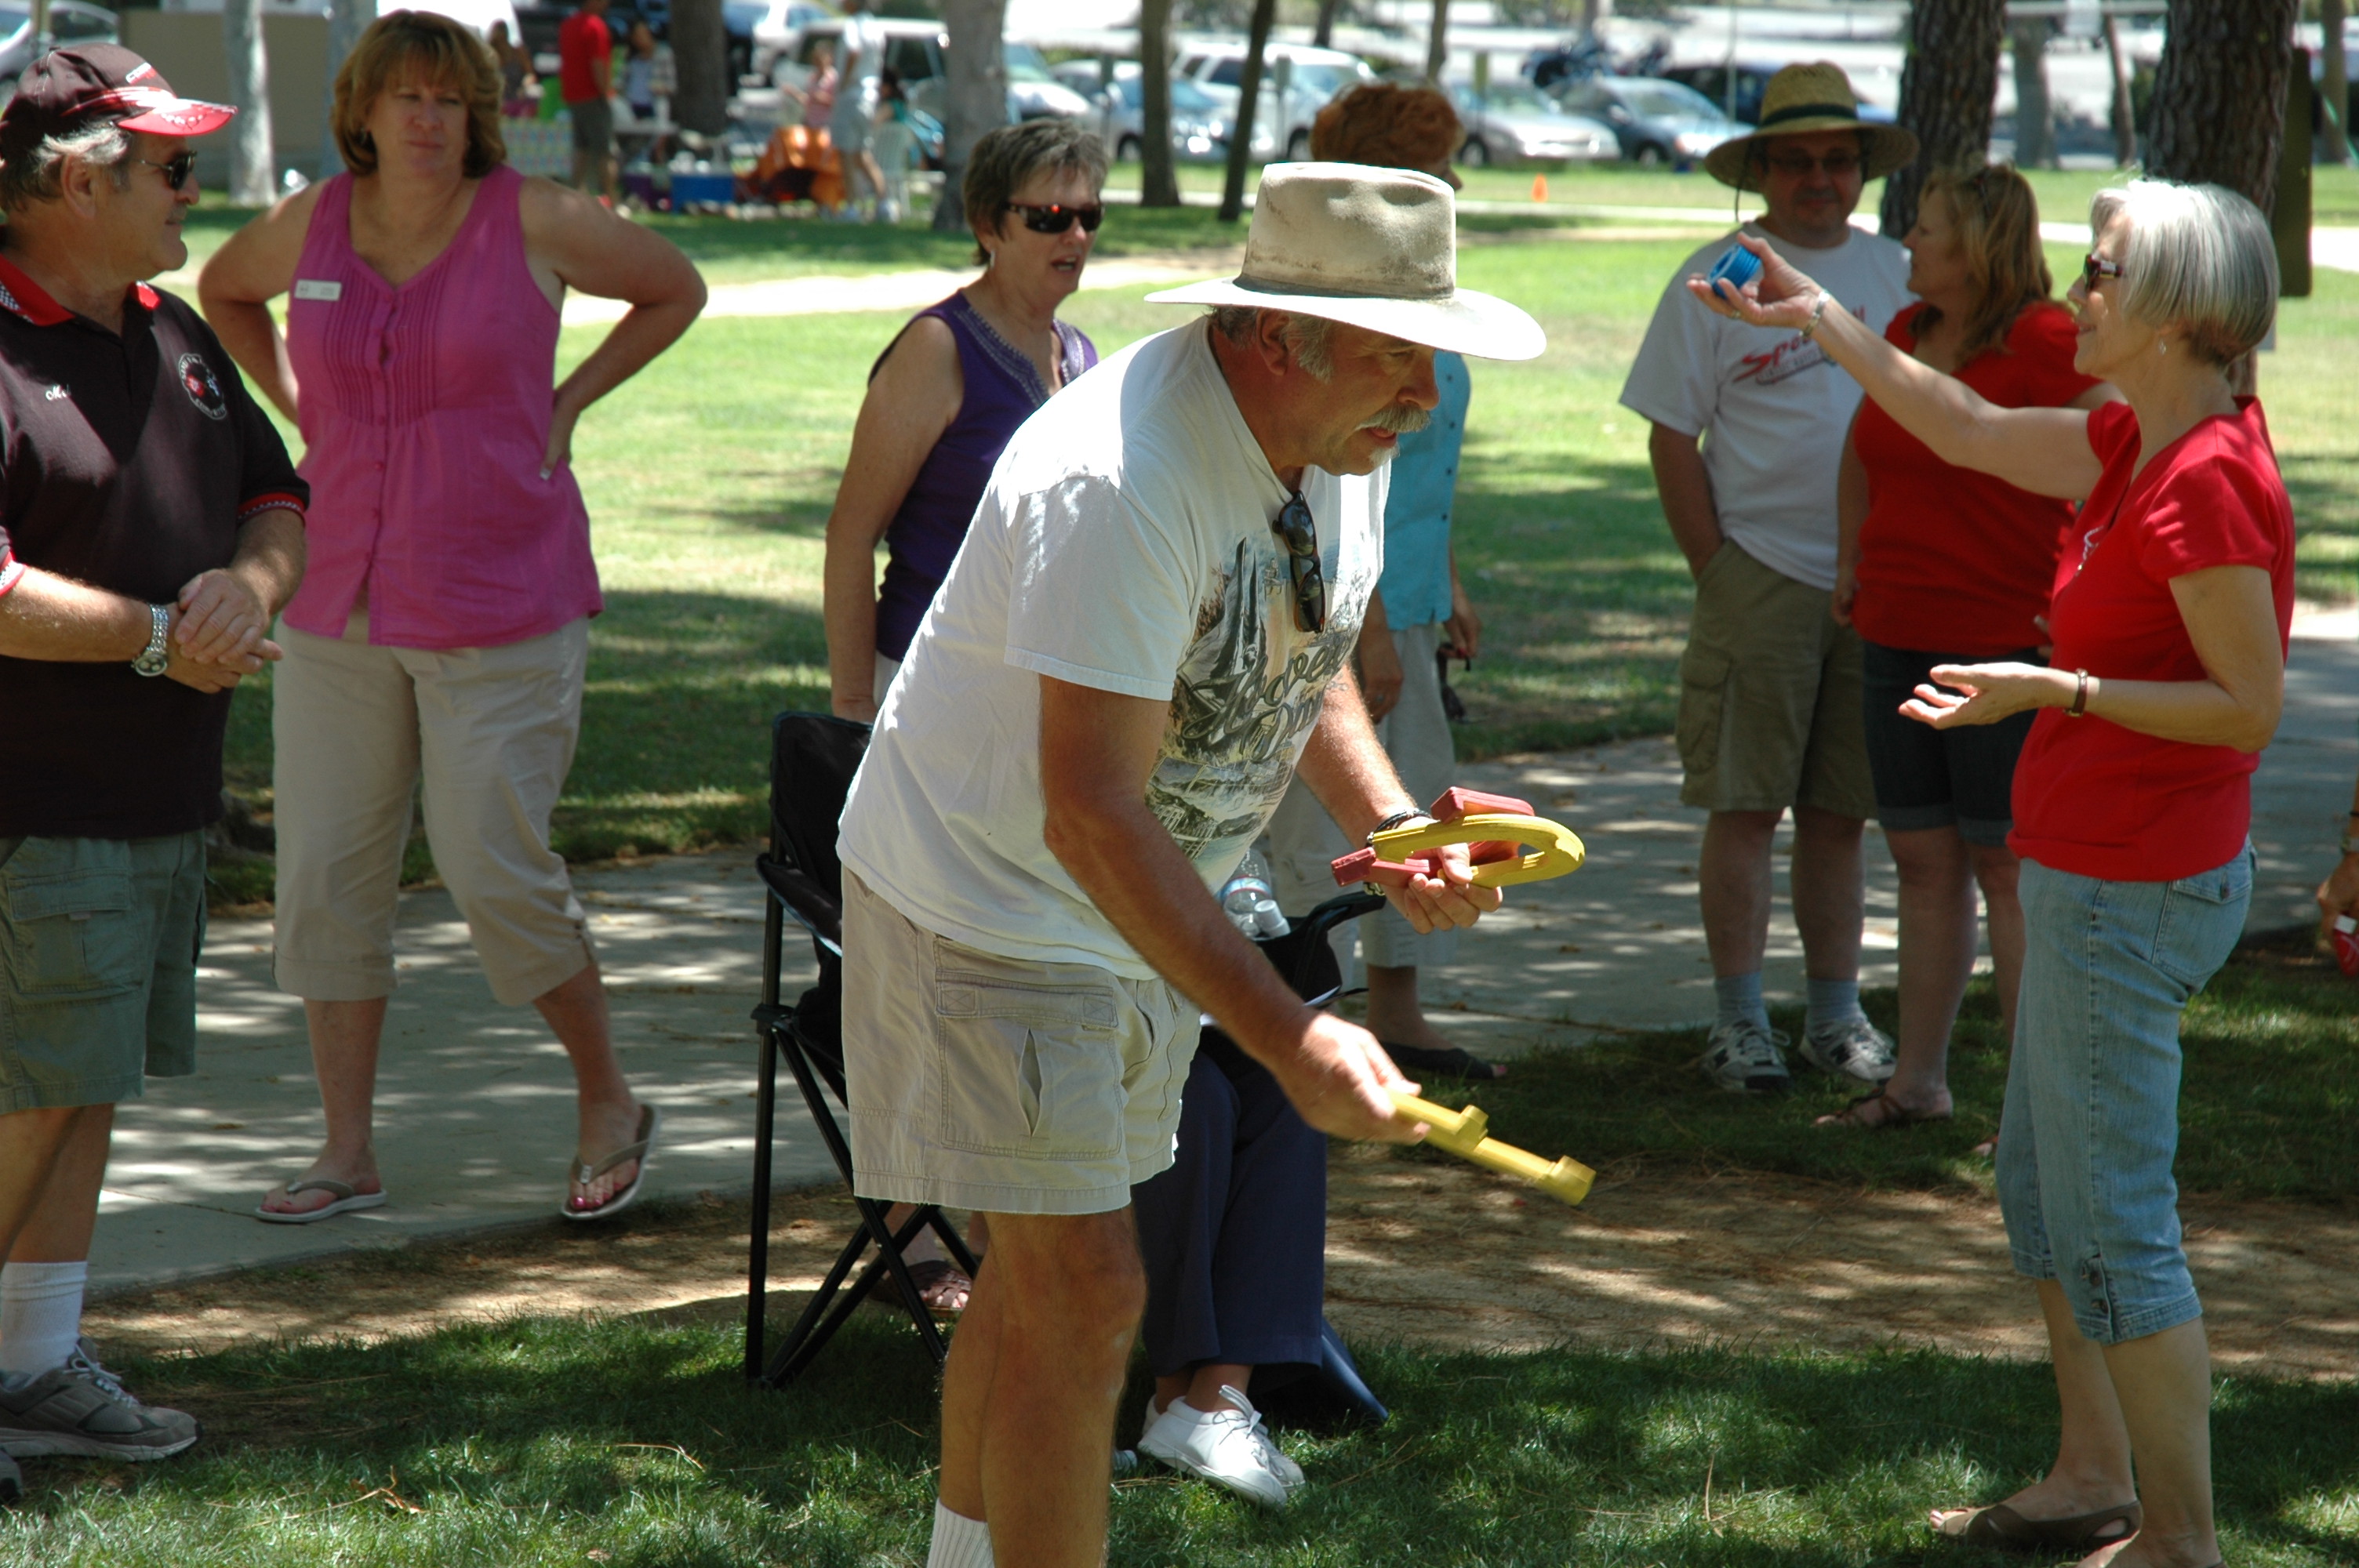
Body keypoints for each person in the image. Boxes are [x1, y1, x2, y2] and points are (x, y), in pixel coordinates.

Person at [836, 162, 1540, 1568]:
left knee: (1051, 1289)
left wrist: (1397, 829)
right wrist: (1288, 1040)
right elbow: (1088, 809)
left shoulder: (1339, 431)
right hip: (993, 899)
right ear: (1279, 335)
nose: (1426, 395)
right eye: (1405, 357)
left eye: (1436, 357)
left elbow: (1304, 636)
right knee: (1088, 1287)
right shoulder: (1122, 478)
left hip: (1129, 907)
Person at [1696, 177, 2290, 1568]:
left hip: (2130, 895)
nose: (2074, 293)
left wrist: (2055, 690)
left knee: (2112, 1230)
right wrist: (1818, 314)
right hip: (2089, 880)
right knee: (2042, 1193)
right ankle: (2089, 1477)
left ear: (2176, 314)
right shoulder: (2127, 439)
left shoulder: (2202, 478)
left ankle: (2178, 1543)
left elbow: (2247, 706)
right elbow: (1955, 423)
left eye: (2099, 276)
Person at [197, 9, 707, 1224]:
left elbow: (673, 288)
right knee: (326, 872)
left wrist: (568, 401)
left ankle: (608, 1098)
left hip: (500, 591)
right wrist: (293, 410)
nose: (428, 119)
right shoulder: (313, 220)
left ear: (477, 114)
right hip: (336, 594)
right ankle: (345, 1150)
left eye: (450, 99)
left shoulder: (531, 216)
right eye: (406, 98)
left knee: (494, 863)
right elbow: (222, 290)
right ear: (362, 112)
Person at [0, 45, 307, 1495]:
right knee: (23, 1100)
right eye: (173, 166)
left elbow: (276, 487)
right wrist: (155, 646)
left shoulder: (170, 328)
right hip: (33, 809)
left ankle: (32, 1363)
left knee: (83, 1085)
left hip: (157, 797)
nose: (201, 186)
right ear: (75, 180)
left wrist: (251, 580)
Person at [1619, 60, 1914, 1096]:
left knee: (1843, 815)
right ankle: (1738, 1025)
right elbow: (1669, 434)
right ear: (1764, 171)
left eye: (1839, 160)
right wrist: (1719, 567)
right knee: (1744, 808)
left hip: (1879, 589)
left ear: (1863, 171)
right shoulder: (1716, 278)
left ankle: (1835, 1018)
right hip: (1763, 575)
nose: (1821, 179)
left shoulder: (1899, 276)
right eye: (1798, 161)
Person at [1819, 165, 2114, 1129]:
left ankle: (2036, 1106)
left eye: (1928, 227)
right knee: (1921, 861)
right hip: (1894, 630)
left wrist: (2077, 597)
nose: (1907, 237)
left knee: (2004, 869)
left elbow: (2124, 464)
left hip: (2001, 643)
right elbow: (1865, 450)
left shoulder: (2045, 340)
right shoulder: (1906, 334)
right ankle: (1917, 1084)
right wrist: (1848, 559)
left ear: (1978, 246)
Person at [1264, 80, 1499, 1081]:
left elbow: (1421, 466)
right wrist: (1357, 635)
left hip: (1407, 593)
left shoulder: (1422, 296)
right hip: (1342, 606)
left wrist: (1445, 582)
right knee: (1324, 815)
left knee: (1419, 805)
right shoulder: (1347, 317)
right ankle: (1294, 1006)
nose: (1447, 187)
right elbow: (1327, 480)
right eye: (1428, 173)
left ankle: (1396, 1010)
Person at [828, 0, 887, 220]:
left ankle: (852, 206)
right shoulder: (876, 27)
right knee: (861, 154)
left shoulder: (853, 25)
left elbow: (854, 50)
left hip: (851, 95)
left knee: (845, 153)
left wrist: (842, 84)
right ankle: (884, 203)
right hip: (869, 97)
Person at [556, 0, 616, 201]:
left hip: (573, 97)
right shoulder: (595, 26)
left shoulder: (567, 25)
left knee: (580, 149)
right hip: (593, 97)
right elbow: (598, 64)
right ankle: (612, 199)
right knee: (604, 151)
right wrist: (606, 93)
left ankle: (573, 197)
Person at [488, 20, 533, 116]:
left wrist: (526, 87)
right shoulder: (489, 54)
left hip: (516, 100)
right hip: (494, 102)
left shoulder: (518, 53)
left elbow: (530, 75)